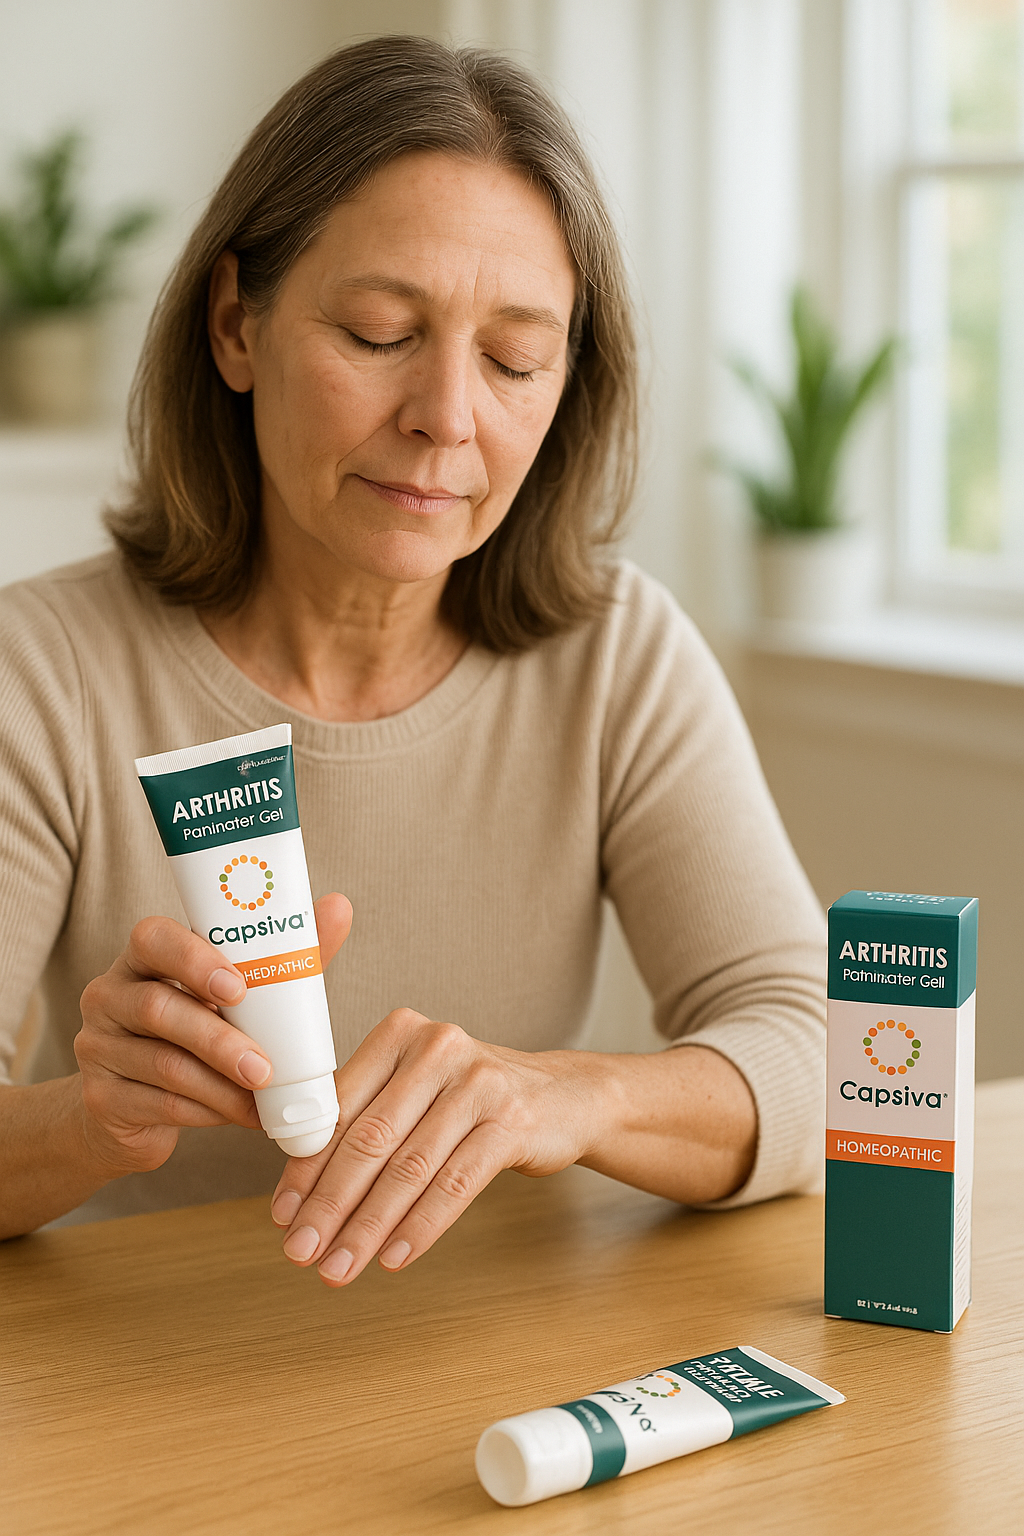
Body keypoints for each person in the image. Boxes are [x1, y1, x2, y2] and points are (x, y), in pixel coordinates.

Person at [0, 36, 825, 1286]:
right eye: (380, 332)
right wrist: (90, 1122)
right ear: (234, 325)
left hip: (491, 1355)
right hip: (141, 1369)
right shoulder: (41, 672)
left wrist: (572, 1097)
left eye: (513, 359)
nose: (447, 415)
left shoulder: (617, 657)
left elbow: (826, 1053)